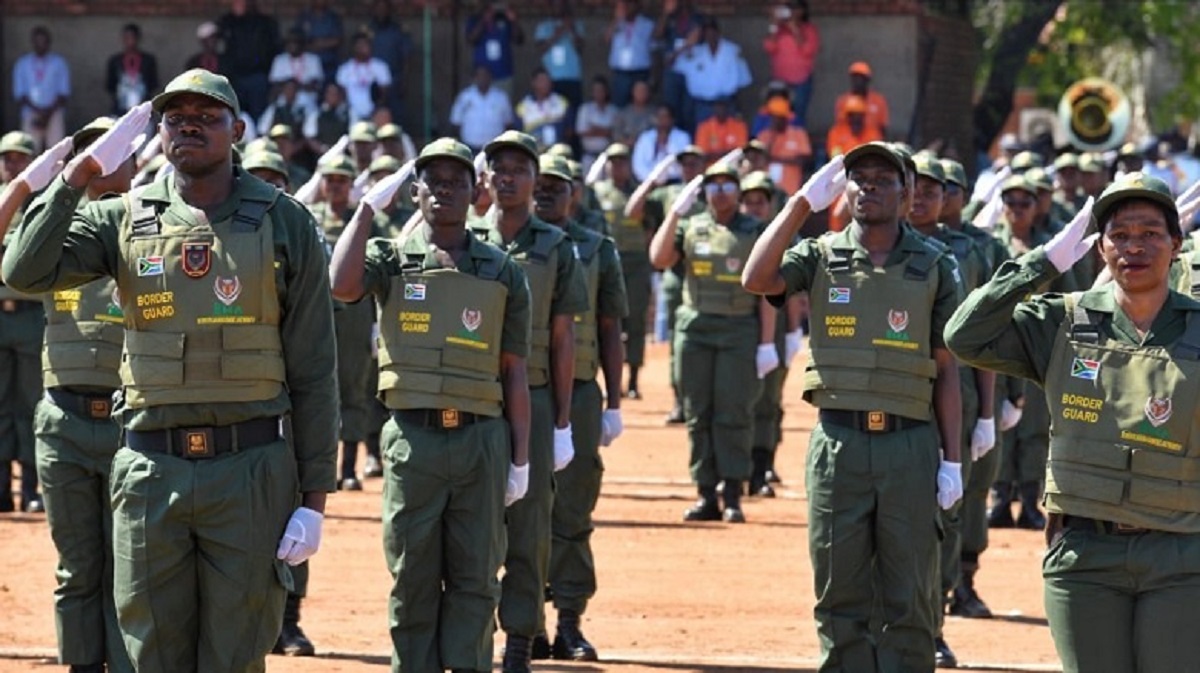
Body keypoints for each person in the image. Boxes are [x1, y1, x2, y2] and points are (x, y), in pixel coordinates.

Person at [2, 69, 337, 671]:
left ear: (238, 130)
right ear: (158, 133)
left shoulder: (284, 221)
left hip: (249, 471)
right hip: (151, 469)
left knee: (234, 655)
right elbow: (22, 270)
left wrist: (313, 500)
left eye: (207, 117)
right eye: (176, 118)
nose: (189, 127)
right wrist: (77, 174)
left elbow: (314, 367)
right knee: (151, 653)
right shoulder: (122, 218)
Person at [944, 173, 1200, 673]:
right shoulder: (1062, 322)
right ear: (1100, 248)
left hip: (1181, 554)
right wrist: (1041, 264)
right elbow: (964, 335)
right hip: (1085, 555)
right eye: (1119, 234)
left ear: (1176, 243)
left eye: (1150, 233)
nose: (1134, 246)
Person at [741, 143, 964, 670]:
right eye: (859, 178)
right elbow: (756, 278)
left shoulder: (935, 264)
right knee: (838, 591)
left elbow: (947, 367)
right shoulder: (820, 254)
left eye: (883, 178)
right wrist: (800, 203)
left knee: (910, 594)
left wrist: (952, 460)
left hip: (909, 444)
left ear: (907, 192)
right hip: (838, 442)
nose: (868, 187)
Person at [328, 136, 531, 672]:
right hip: (412, 440)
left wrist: (520, 460)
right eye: (433, 181)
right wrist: (366, 210)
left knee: (475, 577)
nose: (444, 190)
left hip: (480, 440)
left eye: (456, 181)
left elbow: (514, 369)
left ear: (475, 190)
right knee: (412, 576)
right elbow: (341, 285)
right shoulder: (391, 258)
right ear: (415, 192)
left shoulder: (502, 270)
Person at [0, 119, 129, 671]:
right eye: (88, 152)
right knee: (77, 567)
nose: (101, 159)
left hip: (131, 425)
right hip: (65, 422)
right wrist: (23, 186)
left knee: (130, 569)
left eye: (114, 148)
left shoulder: (151, 221)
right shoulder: (53, 231)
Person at [469, 130, 588, 672]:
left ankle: (520, 637)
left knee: (530, 522)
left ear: (535, 179)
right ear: (485, 177)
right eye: (499, 168)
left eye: (520, 169)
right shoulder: (465, 236)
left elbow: (564, 338)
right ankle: (470, 636)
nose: (509, 178)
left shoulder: (556, 246)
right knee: (474, 521)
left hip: (533, 398)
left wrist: (561, 422)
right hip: (474, 393)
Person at [534, 153, 627, 661]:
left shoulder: (596, 249)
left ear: (576, 192)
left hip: (581, 390)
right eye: (541, 183)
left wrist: (614, 401)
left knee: (572, 506)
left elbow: (611, 327)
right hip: (521, 387)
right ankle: (526, 624)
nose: (547, 192)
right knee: (516, 514)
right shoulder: (499, 244)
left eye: (558, 185)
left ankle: (569, 621)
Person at [649, 162, 773, 522]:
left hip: (739, 329)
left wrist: (767, 343)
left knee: (733, 412)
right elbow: (659, 258)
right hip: (696, 328)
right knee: (697, 412)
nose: (720, 192)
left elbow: (767, 291)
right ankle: (705, 492)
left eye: (728, 185)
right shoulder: (690, 226)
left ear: (738, 191)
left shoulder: (755, 230)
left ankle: (732, 493)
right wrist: (675, 213)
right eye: (713, 185)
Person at [908, 154, 993, 667]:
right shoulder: (875, 248)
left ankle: (934, 624)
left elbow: (981, 335)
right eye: (913, 186)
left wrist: (988, 413)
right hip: (896, 393)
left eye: (932, 189)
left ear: (948, 197)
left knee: (945, 514)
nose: (921, 197)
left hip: (950, 391)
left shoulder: (968, 252)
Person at [940, 157, 1011, 621]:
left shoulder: (985, 248)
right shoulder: (897, 244)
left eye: (948, 188)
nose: (938, 196)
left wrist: (1002, 402)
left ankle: (963, 581)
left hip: (970, 378)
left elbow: (1000, 322)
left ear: (964, 195)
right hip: (923, 378)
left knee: (973, 486)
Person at [625, 145, 707, 417]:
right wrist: (652, 180)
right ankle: (680, 401)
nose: (689, 167)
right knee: (677, 342)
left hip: (707, 276)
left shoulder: (712, 192)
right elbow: (633, 211)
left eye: (694, 162)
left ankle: (702, 401)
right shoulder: (668, 193)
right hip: (675, 272)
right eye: (685, 163)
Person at [0, 130, 44, 514]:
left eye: (20, 158)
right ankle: (1, 488)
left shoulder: (43, 204)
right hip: (1, 315)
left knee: (31, 405)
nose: (14, 165)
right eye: (7, 158)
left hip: (32, 316)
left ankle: (30, 488)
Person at [673, 18, 752, 134]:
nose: (710, 36)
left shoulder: (732, 50)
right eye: (707, 33)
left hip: (727, 104)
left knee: (730, 138)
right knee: (704, 139)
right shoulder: (695, 51)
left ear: (718, 32)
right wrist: (686, 45)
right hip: (704, 105)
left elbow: (743, 81)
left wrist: (739, 107)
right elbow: (671, 64)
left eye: (712, 32)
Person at [217, 0, 281, 120]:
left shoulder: (265, 23)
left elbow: (274, 49)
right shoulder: (229, 21)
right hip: (236, 76)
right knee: (236, 113)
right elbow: (220, 44)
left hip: (258, 75)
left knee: (258, 115)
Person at [762, 1, 820, 128]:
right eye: (788, 8)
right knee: (777, 114)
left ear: (802, 11)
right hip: (780, 81)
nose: (791, 12)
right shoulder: (779, 29)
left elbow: (808, 50)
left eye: (795, 8)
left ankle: (796, 139)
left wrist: (794, 29)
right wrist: (774, 25)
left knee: (797, 117)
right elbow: (769, 47)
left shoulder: (809, 29)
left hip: (801, 81)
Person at [13, 26, 71, 151]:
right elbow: (20, 93)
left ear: (49, 43)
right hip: (30, 113)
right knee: (30, 149)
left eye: (43, 41)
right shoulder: (23, 63)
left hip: (54, 112)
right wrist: (38, 112)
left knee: (56, 150)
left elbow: (63, 92)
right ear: (32, 42)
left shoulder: (58, 63)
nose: (40, 45)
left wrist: (47, 114)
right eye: (37, 41)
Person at [653, 0, 704, 129]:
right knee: (671, 107)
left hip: (691, 71)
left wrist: (676, 53)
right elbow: (657, 35)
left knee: (688, 110)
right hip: (672, 70)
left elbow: (698, 39)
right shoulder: (670, 18)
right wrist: (665, 13)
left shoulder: (698, 18)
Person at [368, 0, 415, 128]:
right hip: (371, 79)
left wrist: (405, 80)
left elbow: (407, 57)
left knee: (396, 113)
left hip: (395, 78)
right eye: (378, 8)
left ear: (390, 10)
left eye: (384, 8)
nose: (381, 11)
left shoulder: (398, 30)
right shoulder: (368, 29)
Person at [534, 0, 585, 112]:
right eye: (556, 5)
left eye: (561, 5)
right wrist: (557, 34)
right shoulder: (544, 26)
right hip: (552, 78)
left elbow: (581, 48)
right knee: (554, 114)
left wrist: (571, 29)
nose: (559, 8)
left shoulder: (576, 24)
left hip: (572, 77)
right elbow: (540, 48)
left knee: (573, 112)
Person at [451, 66, 515, 153]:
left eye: (485, 75)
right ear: (474, 78)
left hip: (494, 148)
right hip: (470, 147)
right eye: (479, 76)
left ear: (491, 78)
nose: (483, 78)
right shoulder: (465, 96)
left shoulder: (501, 97)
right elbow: (456, 121)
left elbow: (508, 123)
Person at [467, 2, 524, 97]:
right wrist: (483, 21)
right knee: (479, 104)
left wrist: (514, 21)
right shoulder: (474, 19)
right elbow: (471, 40)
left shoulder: (504, 19)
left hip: (503, 75)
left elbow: (519, 40)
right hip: (481, 76)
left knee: (503, 103)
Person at [756, 97, 812, 195]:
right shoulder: (763, 135)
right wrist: (772, 136)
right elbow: (760, 159)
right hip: (767, 192)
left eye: (774, 117)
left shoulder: (798, 134)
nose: (771, 120)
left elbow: (803, 160)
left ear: (783, 118)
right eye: (770, 117)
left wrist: (776, 159)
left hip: (789, 191)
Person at [605, 0, 655, 107]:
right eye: (623, 5)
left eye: (629, 4)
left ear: (636, 5)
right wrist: (617, 19)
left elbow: (655, 44)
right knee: (619, 106)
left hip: (640, 71)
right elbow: (606, 39)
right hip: (620, 72)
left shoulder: (647, 24)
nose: (626, 8)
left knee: (641, 104)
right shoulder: (616, 23)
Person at [336, 33, 392, 125]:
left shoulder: (381, 67)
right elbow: (341, 93)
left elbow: (384, 94)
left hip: (375, 114)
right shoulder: (345, 69)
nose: (362, 49)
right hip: (352, 114)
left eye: (365, 45)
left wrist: (375, 112)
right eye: (359, 46)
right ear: (354, 48)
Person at [268, 29, 324, 120]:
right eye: (289, 42)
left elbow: (315, 85)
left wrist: (291, 86)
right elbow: (275, 85)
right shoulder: (279, 60)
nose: (292, 45)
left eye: (296, 42)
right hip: (284, 99)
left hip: (306, 99)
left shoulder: (313, 59)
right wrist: (299, 86)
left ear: (302, 43)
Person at [105, 24, 160, 115]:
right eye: (127, 38)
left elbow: (153, 84)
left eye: (133, 37)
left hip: (143, 108)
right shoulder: (115, 61)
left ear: (138, 39)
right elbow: (110, 86)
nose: (130, 41)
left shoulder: (148, 60)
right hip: (120, 109)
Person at [631, 105, 691, 182]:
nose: (662, 120)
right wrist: (651, 179)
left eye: (665, 117)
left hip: (674, 180)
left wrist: (666, 143)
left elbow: (682, 164)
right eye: (659, 117)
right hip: (648, 181)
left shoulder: (683, 137)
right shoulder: (645, 137)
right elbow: (638, 164)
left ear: (672, 119)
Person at [516, 69, 572, 150]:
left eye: (548, 80)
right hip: (534, 152)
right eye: (542, 80)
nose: (546, 84)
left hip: (557, 151)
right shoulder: (524, 105)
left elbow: (569, 128)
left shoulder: (561, 101)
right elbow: (518, 133)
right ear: (533, 83)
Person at [834, 62, 889, 140]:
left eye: (861, 78)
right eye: (855, 77)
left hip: (872, 140)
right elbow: (840, 126)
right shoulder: (842, 101)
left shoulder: (879, 101)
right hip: (848, 141)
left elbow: (883, 128)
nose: (858, 81)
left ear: (867, 80)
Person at [293, 0, 343, 84]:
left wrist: (319, 44)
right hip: (307, 64)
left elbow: (338, 40)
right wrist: (311, 45)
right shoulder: (304, 17)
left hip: (329, 63)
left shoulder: (333, 17)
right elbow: (297, 39)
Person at [575, 76, 617, 169]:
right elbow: (581, 132)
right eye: (596, 90)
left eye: (601, 90)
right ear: (592, 92)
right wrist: (604, 131)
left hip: (608, 156)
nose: (599, 93)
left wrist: (595, 129)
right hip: (589, 156)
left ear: (606, 91)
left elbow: (613, 133)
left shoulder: (613, 110)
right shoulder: (585, 109)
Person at [695, 99, 748, 165]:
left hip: (733, 166)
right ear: (713, 108)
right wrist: (729, 152)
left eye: (723, 106)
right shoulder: (704, 127)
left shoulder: (739, 126)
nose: (721, 109)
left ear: (728, 108)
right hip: (711, 167)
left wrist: (715, 154)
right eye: (718, 106)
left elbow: (741, 152)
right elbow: (702, 155)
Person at [303, 81, 350, 154]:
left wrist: (339, 149)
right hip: (322, 154)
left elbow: (352, 135)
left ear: (340, 95)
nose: (333, 96)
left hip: (343, 153)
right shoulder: (316, 114)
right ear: (325, 95)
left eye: (335, 94)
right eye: (330, 94)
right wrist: (323, 149)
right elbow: (310, 137)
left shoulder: (349, 114)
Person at [611, 80, 655, 147]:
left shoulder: (654, 113)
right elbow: (616, 134)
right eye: (638, 91)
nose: (641, 93)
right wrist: (626, 142)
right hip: (625, 148)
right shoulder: (623, 113)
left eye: (644, 90)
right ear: (632, 92)